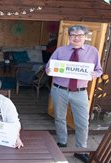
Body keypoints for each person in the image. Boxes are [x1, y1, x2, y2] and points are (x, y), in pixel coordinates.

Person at [46, 25, 102, 163]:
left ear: (85, 37)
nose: (76, 38)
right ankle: (62, 142)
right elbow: (48, 67)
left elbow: (99, 70)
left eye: (80, 35)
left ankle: (80, 150)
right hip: (59, 90)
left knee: (83, 123)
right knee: (59, 118)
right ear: (69, 37)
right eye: (73, 35)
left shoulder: (92, 51)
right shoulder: (60, 51)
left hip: (80, 92)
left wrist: (94, 74)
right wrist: (49, 70)